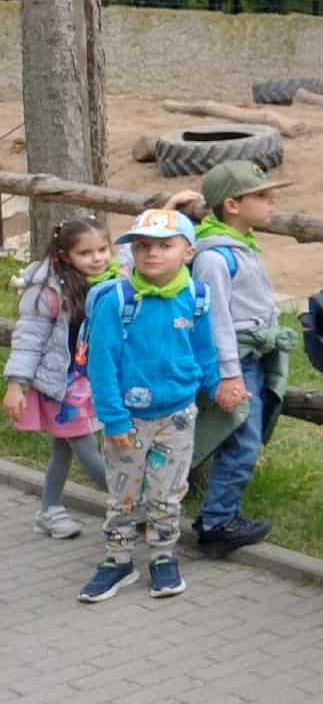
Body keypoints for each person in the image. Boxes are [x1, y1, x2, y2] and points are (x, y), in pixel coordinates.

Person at [76, 208, 222, 603]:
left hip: (178, 417)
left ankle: (162, 556)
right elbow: (102, 365)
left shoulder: (196, 297)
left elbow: (204, 351)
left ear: (188, 253)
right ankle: (118, 560)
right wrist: (114, 420)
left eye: (164, 246)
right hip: (128, 420)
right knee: (123, 494)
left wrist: (218, 385)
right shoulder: (117, 301)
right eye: (142, 246)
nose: (152, 253)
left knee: (167, 493)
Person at [190, 161, 296, 555]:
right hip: (236, 362)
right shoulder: (215, 259)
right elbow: (215, 320)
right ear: (233, 205)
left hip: (251, 356)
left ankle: (218, 514)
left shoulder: (240, 246)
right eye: (262, 196)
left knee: (242, 437)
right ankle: (217, 523)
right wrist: (229, 375)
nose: (272, 202)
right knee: (242, 441)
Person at [10, 216, 115, 539]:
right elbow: (28, 339)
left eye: (103, 249)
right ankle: (132, 504)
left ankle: (49, 511)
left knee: (62, 449)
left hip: (89, 382)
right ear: (65, 255)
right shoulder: (48, 291)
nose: (97, 258)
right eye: (86, 253)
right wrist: (16, 383)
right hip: (61, 387)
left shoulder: (110, 280)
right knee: (90, 455)